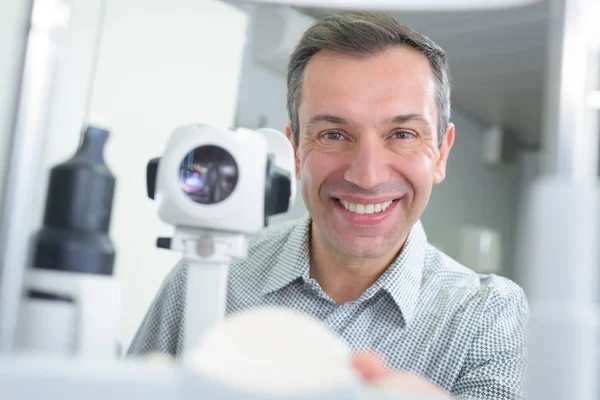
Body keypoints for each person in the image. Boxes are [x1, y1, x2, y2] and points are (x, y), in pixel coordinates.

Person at [128, 11, 529, 399]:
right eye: (335, 135)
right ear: (295, 150)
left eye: (403, 134)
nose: (367, 176)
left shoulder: (487, 315)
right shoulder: (208, 272)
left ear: (441, 154)